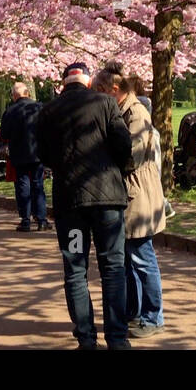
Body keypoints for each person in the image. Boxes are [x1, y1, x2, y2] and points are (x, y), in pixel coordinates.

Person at [37, 62, 134, 349]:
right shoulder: (106, 103)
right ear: (89, 81)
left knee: (76, 270)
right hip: (107, 200)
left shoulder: (48, 111)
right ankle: (117, 338)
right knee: (113, 267)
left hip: (70, 204)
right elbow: (123, 143)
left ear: (63, 83)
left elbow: (43, 155)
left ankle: (86, 339)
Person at [93, 63, 167, 338]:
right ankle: (134, 313)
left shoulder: (135, 113)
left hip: (138, 195)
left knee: (142, 258)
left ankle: (153, 317)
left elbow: (131, 157)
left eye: (101, 91)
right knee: (128, 259)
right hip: (128, 195)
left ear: (114, 90)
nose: (98, 97)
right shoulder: (121, 111)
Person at [0, 81, 49, 232]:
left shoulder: (10, 111)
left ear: (14, 96)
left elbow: (4, 134)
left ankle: (25, 220)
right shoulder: (39, 107)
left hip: (18, 153)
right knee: (38, 184)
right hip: (37, 152)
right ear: (27, 93)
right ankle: (41, 220)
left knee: (22, 185)